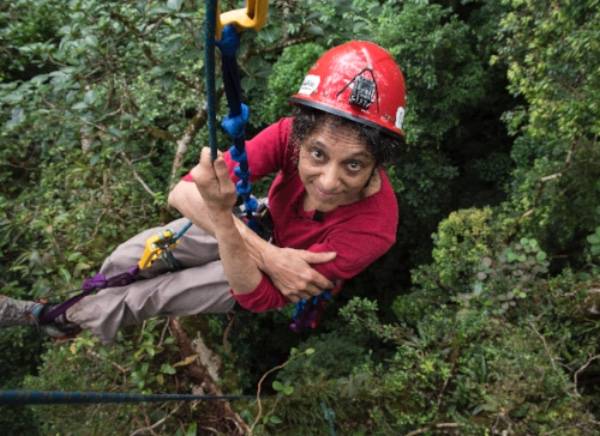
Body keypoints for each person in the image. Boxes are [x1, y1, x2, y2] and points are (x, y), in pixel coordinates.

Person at [0, 41, 405, 344]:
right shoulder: (288, 135)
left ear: (377, 163)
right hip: (261, 227)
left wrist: (245, 244)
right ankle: (86, 299)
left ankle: (54, 318)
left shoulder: (374, 229)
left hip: (256, 275)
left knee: (154, 295)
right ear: (301, 137)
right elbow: (182, 194)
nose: (330, 181)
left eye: (353, 165)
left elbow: (259, 298)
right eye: (318, 155)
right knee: (131, 256)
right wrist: (269, 253)